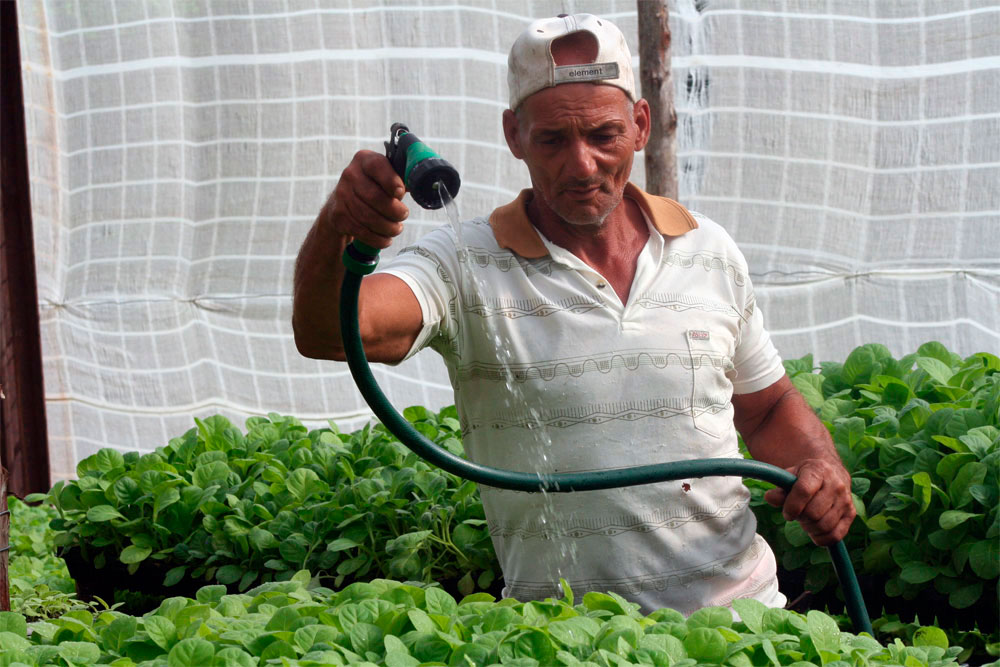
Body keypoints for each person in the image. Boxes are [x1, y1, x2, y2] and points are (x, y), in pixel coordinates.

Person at [292, 13, 855, 615]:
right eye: (553, 140)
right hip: (571, 638)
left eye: (604, 135)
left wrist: (818, 465)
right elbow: (330, 331)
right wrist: (338, 225)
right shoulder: (463, 263)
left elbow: (766, 407)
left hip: (743, 625)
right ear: (514, 136)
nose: (582, 165)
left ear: (641, 125)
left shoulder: (706, 247)